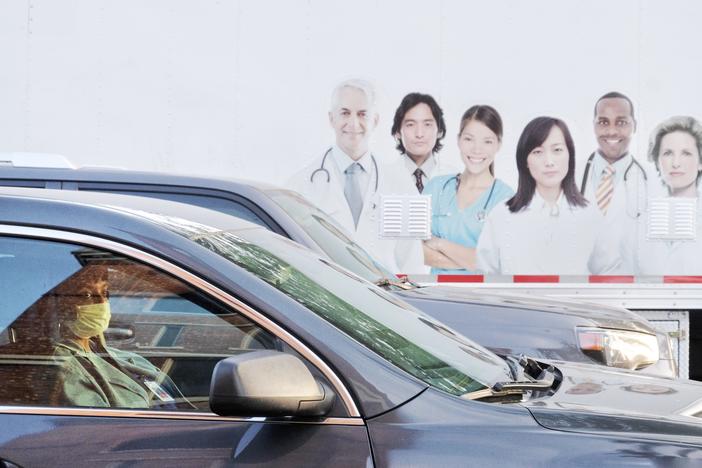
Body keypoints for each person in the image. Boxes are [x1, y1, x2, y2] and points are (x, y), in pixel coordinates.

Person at [287, 79, 423, 273]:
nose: (353, 123)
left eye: (362, 114)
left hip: (386, 298)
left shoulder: (401, 184)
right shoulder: (300, 186)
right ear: (331, 119)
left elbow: (413, 263)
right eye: (345, 113)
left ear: (375, 120)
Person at [477, 117, 619, 275]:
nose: (549, 161)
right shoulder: (502, 215)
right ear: (525, 160)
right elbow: (485, 276)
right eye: (538, 152)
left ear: (569, 155)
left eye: (557, 150)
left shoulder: (590, 214)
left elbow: (608, 273)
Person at [51, 267, 183, 409]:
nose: (102, 303)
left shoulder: (109, 353)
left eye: (105, 293)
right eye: (87, 295)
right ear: (63, 305)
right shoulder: (67, 367)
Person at [422, 105, 513, 274]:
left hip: (480, 299)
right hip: (435, 296)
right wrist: (472, 260)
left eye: (487, 141)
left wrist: (440, 244)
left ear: (498, 145)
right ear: (458, 140)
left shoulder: (506, 199)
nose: (477, 149)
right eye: (469, 139)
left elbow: (498, 262)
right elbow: (416, 250)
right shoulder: (436, 187)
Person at [621, 116, 702, 274]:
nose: (676, 163)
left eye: (686, 153)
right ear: (657, 161)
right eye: (667, 153)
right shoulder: (638, 222)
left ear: (700, 162)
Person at [580, 92, 651, 221]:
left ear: (634, 125)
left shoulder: (652, 179)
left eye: (621, 122)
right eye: (603, 122)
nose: (612, 131)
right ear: (593, 126)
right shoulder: (569, 174)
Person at [388, 92, 459, 193]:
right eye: (410, 124)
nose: (419, 134)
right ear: (398, 132)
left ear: (439, 131)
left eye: (427, 124)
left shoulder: (454, 178)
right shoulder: (383, 176)